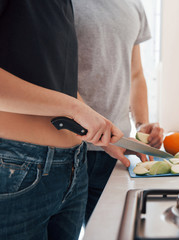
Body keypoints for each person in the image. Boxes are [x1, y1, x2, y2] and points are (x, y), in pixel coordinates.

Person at [0, 1, 130, 239]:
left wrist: (99, 127)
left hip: (73, 168)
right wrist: (73, 108)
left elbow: (61, 83)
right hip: (15, 169)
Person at [73, 0, 164, 224]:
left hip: (116, 154)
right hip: (67, 150)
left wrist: (142, 125)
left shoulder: (135, 5)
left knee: (108, 231)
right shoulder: (62, 4)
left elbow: (135, 74)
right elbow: (54, 73)